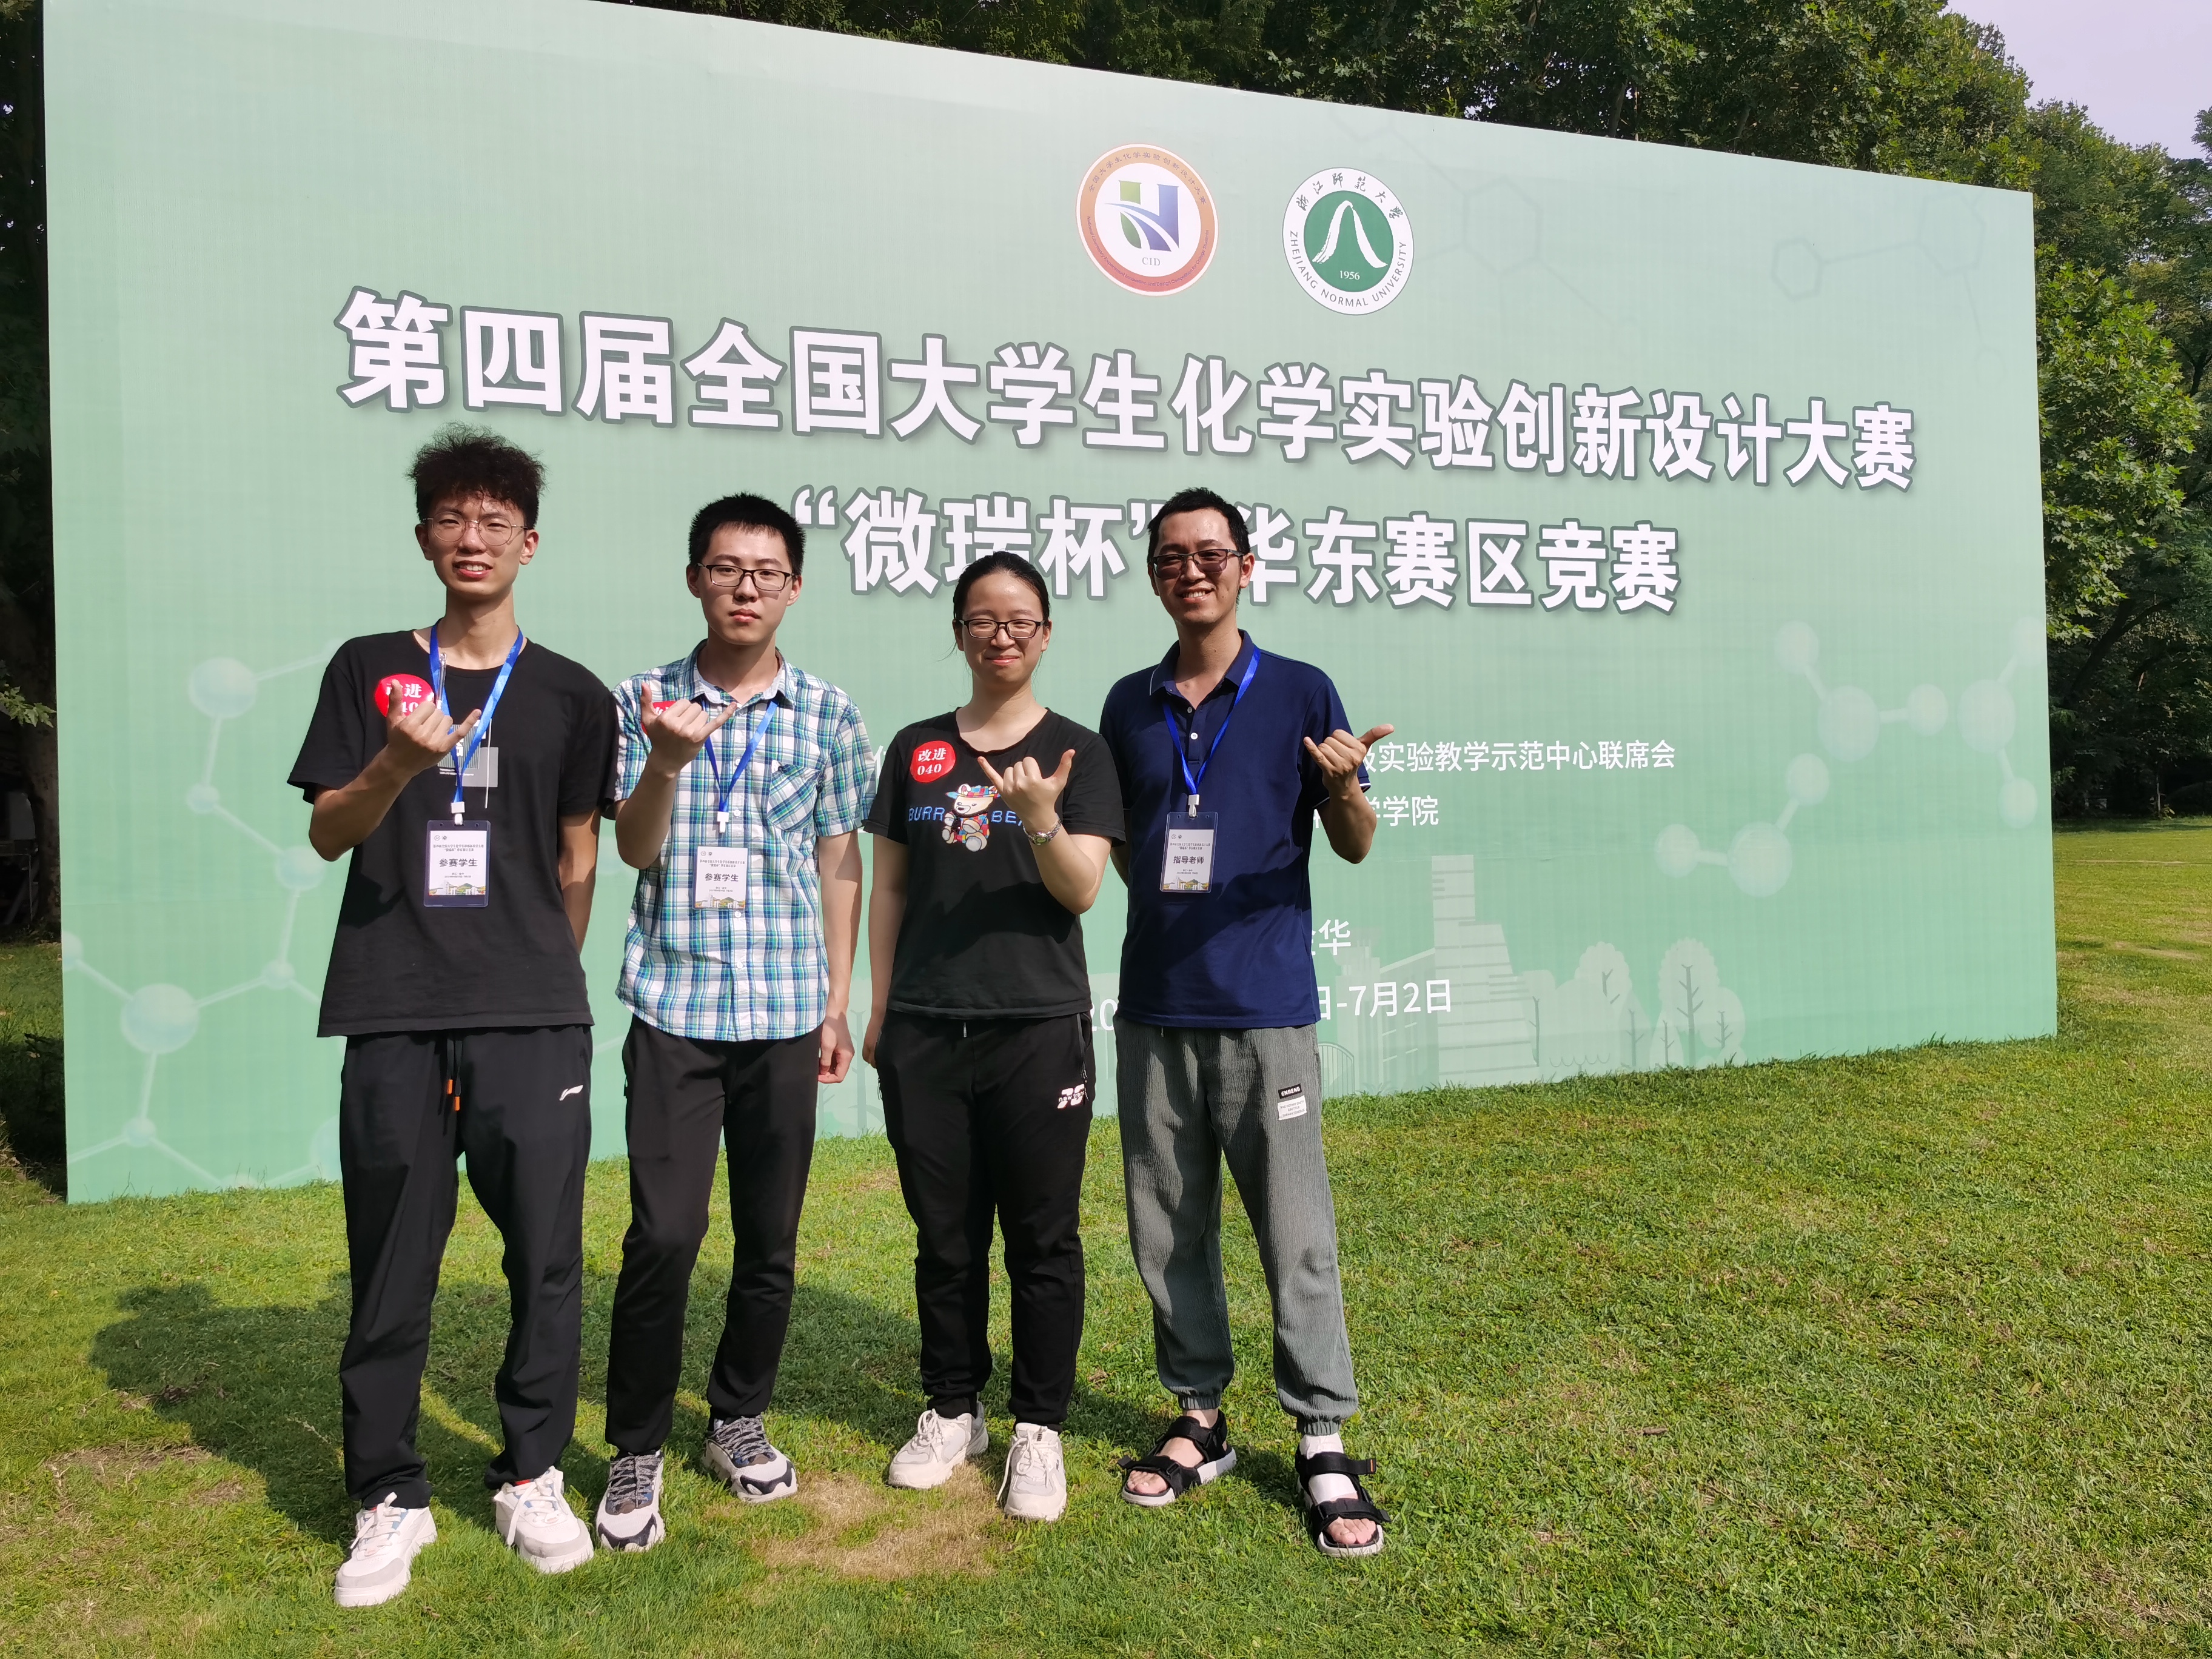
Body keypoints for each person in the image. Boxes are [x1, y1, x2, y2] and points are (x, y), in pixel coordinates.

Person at [290, 427, 614, 1607]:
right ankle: (389, 1495)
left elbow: (580, 855)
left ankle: (532, 1472)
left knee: (547, 1259)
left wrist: (540, 972)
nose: (472, 539)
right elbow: (328, 831)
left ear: (530, 543)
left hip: (532, 1016)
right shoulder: (370, 668)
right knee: (390, 1261)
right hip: (393, 1006)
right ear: (424, 536)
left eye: (495, 521)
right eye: (451, 519)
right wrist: (391, 764)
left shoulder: (573, 693)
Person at [1098, 485, 1396, 1559]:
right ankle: (1201, 1417)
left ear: (1247, 566)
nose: (1193, 571)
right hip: (1155, 1006)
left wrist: (1347, 788)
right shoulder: (1129, 705)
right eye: (1172, 557)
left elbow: (1353, 841)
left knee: (1295, 1227)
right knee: (1167, 1223)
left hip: (1266, 1011)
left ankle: (1322, 1436)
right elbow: (1126, 846)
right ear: (1153, 576)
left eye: (1211, 554)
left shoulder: (1302, 690)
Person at [591, 493, 873, 1554]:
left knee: (770, 1239)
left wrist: (837, 1001)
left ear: (793, 586)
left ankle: (738, 1417)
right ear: (695, 580)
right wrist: (666, 759)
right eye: (725, 568)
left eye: (765, 572)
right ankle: (636, 1446)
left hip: (788, 1010)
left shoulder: (828, 713)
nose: (745, 587)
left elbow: (839, 860)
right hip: (676, 1005)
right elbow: (634, 848)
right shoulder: (642, 701)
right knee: (664, 1236)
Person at [860, 553, 1124, 1524]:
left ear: (1045, 635)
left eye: (1020, 621)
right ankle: (953, 1409)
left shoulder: (1079, 751)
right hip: (927, 1026)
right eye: (982, 619)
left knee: (1043, 1237)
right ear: (959, 633)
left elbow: (1082, 889)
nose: (1000, 636)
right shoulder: (917, 748)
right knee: (945, 1234)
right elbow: (890, 886)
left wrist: (1042, 819)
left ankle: (1038, 1427)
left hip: (1037, 1027)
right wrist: (882, 1005)